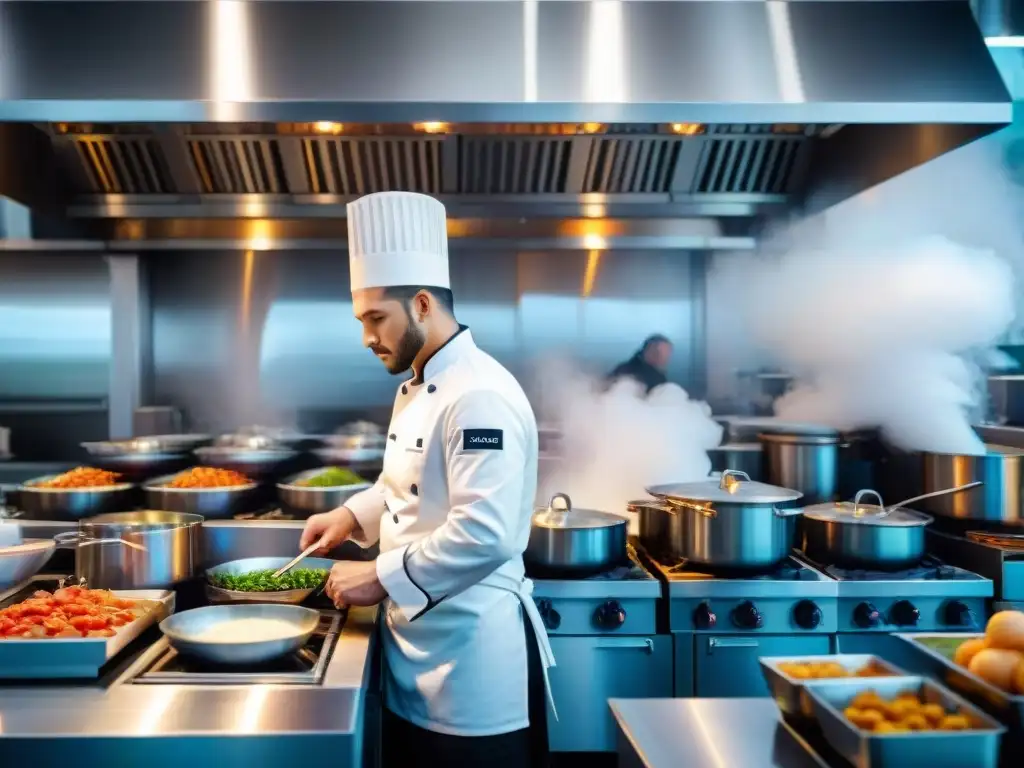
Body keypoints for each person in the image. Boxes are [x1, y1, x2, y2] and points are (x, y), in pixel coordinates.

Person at [299, 191, 552, 768]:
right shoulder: (414, 385)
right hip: (416, 651)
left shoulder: (478, 394)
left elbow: (489, 533)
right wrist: (351, 517)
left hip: (470, 673)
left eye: (375, 318)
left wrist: (379, 576)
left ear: (420, 304)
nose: (366, 336)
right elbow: (410, 486)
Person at [609, 334, 673, 393]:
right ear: (649, 349)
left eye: (667, 353)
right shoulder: (653, 378)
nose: (665, 358)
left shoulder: (623, 368)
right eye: (662, 352)